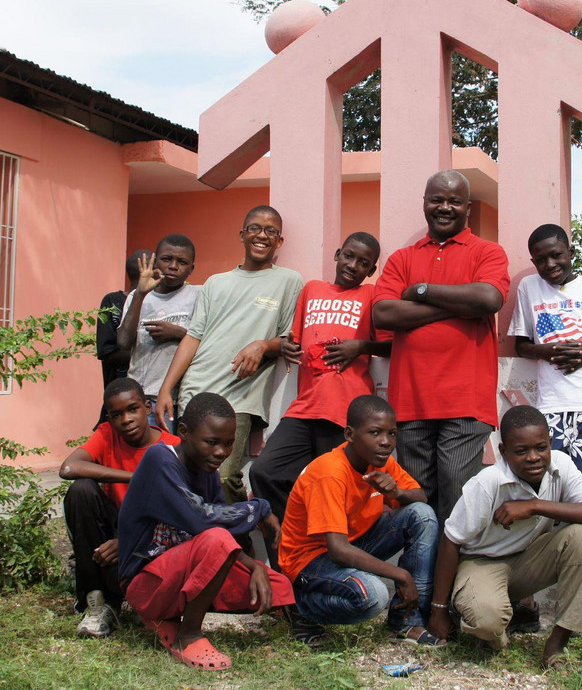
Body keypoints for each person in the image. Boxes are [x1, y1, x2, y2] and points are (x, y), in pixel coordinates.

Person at [117, 393, 295, 671]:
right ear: (184, 433)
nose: (221, 452)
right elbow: (204, 522)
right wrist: (257, 508)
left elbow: (217, 532)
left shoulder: (208, 469)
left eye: (228, 444)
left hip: (182, 574)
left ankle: (170, 617)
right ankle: (188, 637)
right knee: (218, 537)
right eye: (211, 442)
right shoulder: (159, 460)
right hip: (146, 584)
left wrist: (254, 565)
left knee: (279, 587)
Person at [428, 405, 582, 667]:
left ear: (550, 442)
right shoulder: (488, 482)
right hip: (482, 562)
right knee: (487, 621)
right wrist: (438, 610)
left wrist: (534, 505)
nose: (533, 457)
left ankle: (557, 643)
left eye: (541, 447)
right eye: (521, 451)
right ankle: (494, 629)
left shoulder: (560, 465)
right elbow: (451, 540)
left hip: (529, 560)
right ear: (503, 452)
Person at [373, 169, 510, 524]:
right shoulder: (403, 258)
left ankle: (451, 580)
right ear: (424, 204)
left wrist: (421, 291)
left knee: (456, 495)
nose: (444, 207)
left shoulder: (487, 252)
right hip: (410, 401)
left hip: (466, 401)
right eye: (437, 199)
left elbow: (488, 298)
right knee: (418, 502)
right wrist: (457, 306)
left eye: (453, 201)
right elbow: (384, 313)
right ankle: (423, 580)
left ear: (467, 207)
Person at [249, 231, 391, 558]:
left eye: (364, 263)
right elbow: (294, 339)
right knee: (264, 472)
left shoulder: (371, 294)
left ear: (370, 271)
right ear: (338, 254)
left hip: (347, 414)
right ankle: (292, 554)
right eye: (350, 256)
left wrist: (362, 346)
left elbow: (394, 345)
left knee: (339, 494)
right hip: (304, 409)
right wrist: (284, 344)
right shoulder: (312, 289)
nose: (353, 266)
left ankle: (334, 568)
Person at [155, 206, 303, 503]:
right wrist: (166, 389)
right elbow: (194, 338)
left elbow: (291, 339)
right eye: (255, 228)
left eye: (270, 231)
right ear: (242, 235)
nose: (262, 235)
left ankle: (237, 543)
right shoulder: (215, 283)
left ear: (279, 241)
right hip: (196, 390)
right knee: (186, 483)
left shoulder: (289, 281)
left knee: (222, 479)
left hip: (238, 399)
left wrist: (263, 345)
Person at [279, 395, 443, 646]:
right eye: (375, 433)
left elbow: (421, 498)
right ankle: (299, 606)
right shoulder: (330, 472)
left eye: (392, 434)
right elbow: (338, 550)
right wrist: (401, 575)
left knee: (422, 515)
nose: (386, 442)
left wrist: (396, 493)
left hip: (352, 544)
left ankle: (407, 622)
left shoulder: (382, 461)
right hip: (309, 561)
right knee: (373, 597)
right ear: (349, 434)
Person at [508, 224, 582, 495]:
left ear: (571, 252)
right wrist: (548, 351)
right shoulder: (529, 287)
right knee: (550, 489)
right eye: (540, 260)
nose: (550, 264)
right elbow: (522, 346)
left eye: (556, 255)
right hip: (551, 406)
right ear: (533, 262)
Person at [59, 377, 179, 637]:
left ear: (147, 408)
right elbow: (69, 468)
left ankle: (140, 600)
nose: (126, 420)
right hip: (115, 531)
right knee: (81, 490)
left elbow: (179, 520)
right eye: (116, 415)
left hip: (152, 542)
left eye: (132, 409)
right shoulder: (107, 435)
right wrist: (135, 476)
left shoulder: (173, 448)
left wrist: (128, 541)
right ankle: (95, 601)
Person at [117, 234, 199, 430]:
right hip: (139, 397)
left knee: (168, 456)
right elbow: (123, 342)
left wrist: (178, 333)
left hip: (178, 398)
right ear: (155, 261)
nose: (173, 266)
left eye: (182, 262)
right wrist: (140, 294)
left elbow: (209, 342)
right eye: (166, 259)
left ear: (191, 269)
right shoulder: (138, 296)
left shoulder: (198, 295)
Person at [95, 249, 150, 424]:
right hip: (121, 394)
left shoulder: (161, 303)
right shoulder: (112, 301)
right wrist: (148, 352)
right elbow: (106, 351)